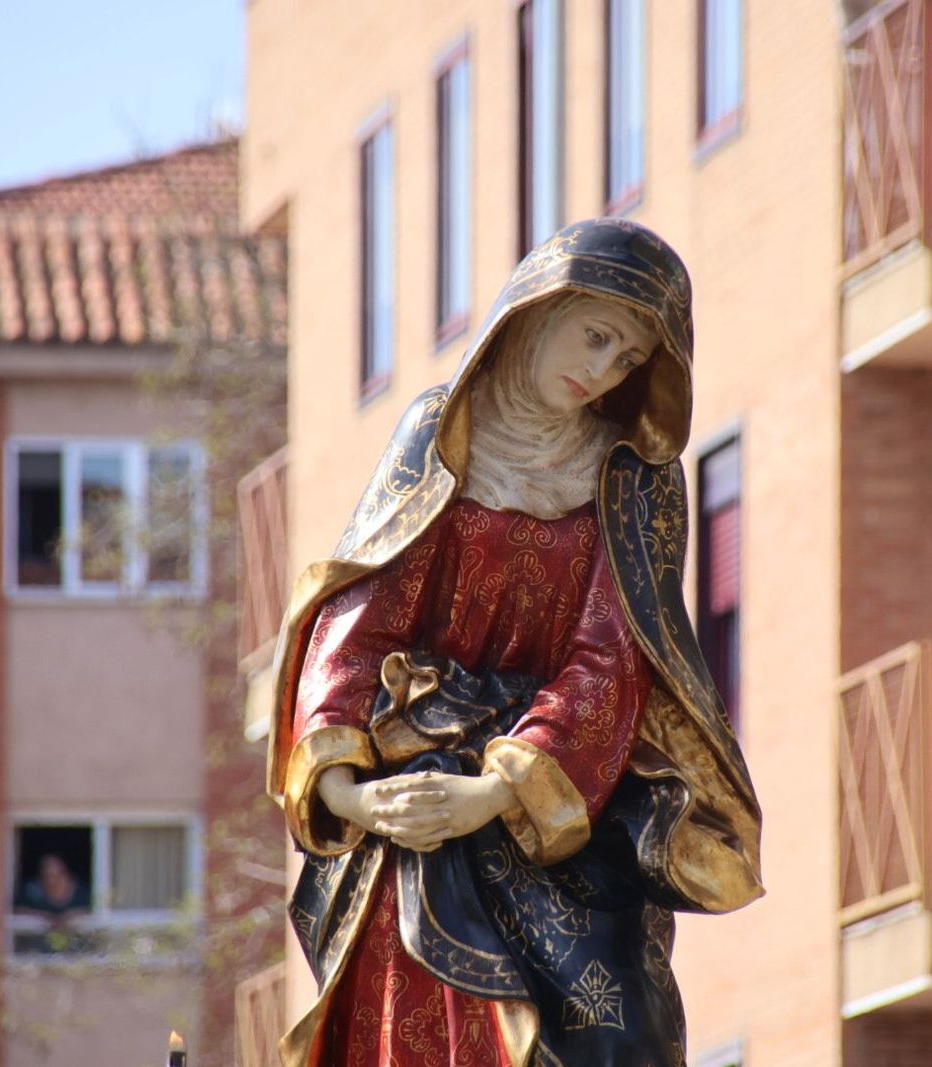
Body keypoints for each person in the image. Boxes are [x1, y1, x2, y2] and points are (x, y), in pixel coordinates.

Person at [262, 219, 763, 1066]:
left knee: (618, 1031)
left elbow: (612, 660)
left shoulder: (635, 476)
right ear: (539, 308)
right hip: (416, 807)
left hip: (557, 808)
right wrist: (351, 796)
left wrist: (496, 792)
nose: (603, 370)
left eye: (629, 358)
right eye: (596, 335)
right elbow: (361, 620)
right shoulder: (437, 432)